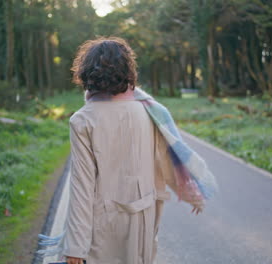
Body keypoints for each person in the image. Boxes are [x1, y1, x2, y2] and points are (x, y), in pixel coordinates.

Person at [61, 37, 213, 264]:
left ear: (87, 73)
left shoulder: (82, 120)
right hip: (143, 217)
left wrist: (75, 247)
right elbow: (166, 160)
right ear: (128, 71)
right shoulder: (148, 113)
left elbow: (82, 187)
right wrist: (192, 194)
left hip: (102, 225)